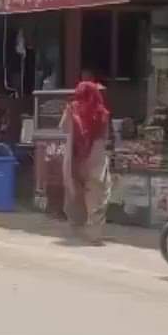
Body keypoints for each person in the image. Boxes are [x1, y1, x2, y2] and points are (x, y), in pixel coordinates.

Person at [61, 80, 111, 245]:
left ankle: (76, 228)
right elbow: (105, 136)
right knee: (96, 196)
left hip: (75, 157)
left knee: (75, 192)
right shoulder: (102, 112)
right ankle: (95, 235)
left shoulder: (71, 109)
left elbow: (62, 128)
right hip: (96, 158)